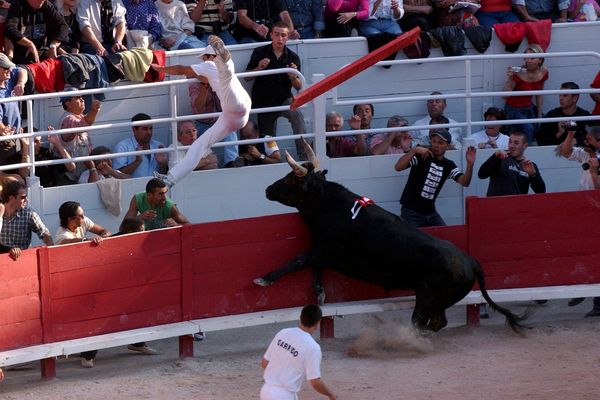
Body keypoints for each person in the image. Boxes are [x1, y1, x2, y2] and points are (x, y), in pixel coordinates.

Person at [151, 36, 251, 186]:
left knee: (227, 76)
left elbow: (181, 69)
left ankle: (224, 57)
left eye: (205, 57)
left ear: (210, 56)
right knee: (199, 145)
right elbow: (194, 74)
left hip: (235, 107)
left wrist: (161, 69)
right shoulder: (208, 70)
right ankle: (170, 179)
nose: (203, 60)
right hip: (234, 114)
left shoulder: (209, 65)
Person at [245, 22, 307, 159]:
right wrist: (258, 68)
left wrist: (293, 77)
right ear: (271, 35)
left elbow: (298, 86)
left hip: (284, 99)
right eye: (277, 34)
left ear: (287, 37)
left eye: (283, 35)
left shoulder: (292, 57)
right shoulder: (259, 52)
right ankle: (272, 160)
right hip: (264, 102)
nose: (280, 39)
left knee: (297, 114)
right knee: (268, 139)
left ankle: (304, 157)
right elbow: (247, 77)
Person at [556, 125, 600, 315]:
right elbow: (564, 152)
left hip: (596, 210)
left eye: (589, 139)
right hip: (585, 209)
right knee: (582, 250)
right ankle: (583, 284)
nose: (585, 142)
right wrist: (570, 134)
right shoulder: (585, 154)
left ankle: (597, 303)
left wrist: (593, 172)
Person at [395, 129, 476, 228]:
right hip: (411, 212)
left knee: (445, 237)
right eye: (434, 141)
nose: (436, 145)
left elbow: (465, 182)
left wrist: (470, 164)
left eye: (440, 143)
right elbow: (398, 167)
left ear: (448, 146)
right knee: (416, 242)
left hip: (430, 213)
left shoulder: (448, 165)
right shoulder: (422, 156)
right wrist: (414, 150)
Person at [260, 304, 337, 400]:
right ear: (318, 323)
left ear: (300, 318)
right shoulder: (312, 347)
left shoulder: (283, 332)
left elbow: (264, 362)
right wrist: (330, 394)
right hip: (285, 396)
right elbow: (315, 381)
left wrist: (277, 377)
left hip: (265, 391)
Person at [188, 45, 238, 168]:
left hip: (220, 119)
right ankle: (201, 166)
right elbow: (198, 108)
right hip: (202, 124)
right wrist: (204, 87)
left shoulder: (224, 77)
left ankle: (231, 163)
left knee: (231, 129)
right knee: (193, 137)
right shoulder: (195, 82)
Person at [503, 43, 548, 144]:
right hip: (513, 109)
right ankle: (529, 152)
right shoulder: (519, 72)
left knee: (540, 126)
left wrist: (539, 113)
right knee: (528, 128)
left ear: (540, 59)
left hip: (529, 108)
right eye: (526, 57)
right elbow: (504, 96)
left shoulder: (543, 72)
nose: (528, 61)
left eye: (532, 58)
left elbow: (540, 94)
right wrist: (510, 78)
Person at [477, 131, 546, 196]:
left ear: (525, 146)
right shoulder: (500, 157)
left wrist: (533, 174)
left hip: (517, 207)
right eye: (510, 142)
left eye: (516, 143)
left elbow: (541, 192)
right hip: (496, 206)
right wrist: (494, 157)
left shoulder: (530, 165)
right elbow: (481, 175)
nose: (511, 145)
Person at [56, 88, 100, 184]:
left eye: (82, 97)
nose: (82, 100)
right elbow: (82, 125)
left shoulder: (79, 117)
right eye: (77, 98)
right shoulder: (68, 119)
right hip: (70, 178)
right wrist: (94, 110)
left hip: (83, 174)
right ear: (67, 103)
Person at [0, 180, 53, 260]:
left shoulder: (29, 214)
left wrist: (52, 254)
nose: (26, 200)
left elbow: (45, 234)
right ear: (11, 198)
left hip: (23, 260)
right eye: (23, 197)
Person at [5, 0, 69, 64]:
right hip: (23, 54)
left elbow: (63, 26)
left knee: (66, 64)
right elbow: (10, 28)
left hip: (42, 51)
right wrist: (29, 44)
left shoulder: (46, 5)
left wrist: (53, 45)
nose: (42, 1)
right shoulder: (18, 5)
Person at [112, 113, 169, 178]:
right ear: (134, 129)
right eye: (145, 129)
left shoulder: (159, 146)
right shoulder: (123, 147)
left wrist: (163, 164)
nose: (149, 132)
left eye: (150, 128)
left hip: (155, 187)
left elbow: (165, 175)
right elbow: (116, 175)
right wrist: (137, 161)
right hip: (133, 187)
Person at [124, 177, 190, 230]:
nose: (164, 197)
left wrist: (177, 225)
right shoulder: (138, 199)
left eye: (165, 193)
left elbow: (189, 225)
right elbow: (123, 227)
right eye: (161, 194)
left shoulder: (169, 206)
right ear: (149, 195)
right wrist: (140, 217)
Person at [537, 82, 590, 146]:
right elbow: (541, 140)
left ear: (575, 98)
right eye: (560, 95)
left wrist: (577, 140)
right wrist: (559, 134)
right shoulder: (552, 115)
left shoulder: (584, 116)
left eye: (565, 95)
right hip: (553, 153)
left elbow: (593, 139)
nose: (561, 98)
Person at [0, 53, 26, 167]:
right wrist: (4, 132)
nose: (10, 70)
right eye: (6, 68)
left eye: (10, 67)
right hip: (5, 142)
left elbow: (22, 71)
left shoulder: (8, 79)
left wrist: (20, 83)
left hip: (14, 138)